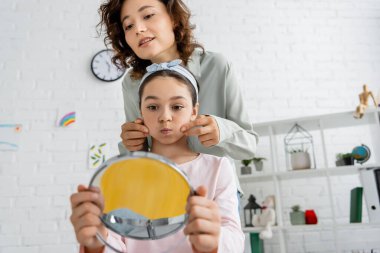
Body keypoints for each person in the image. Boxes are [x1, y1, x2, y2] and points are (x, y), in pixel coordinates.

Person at [70, 61, 245, 253]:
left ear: (194, 111)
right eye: (153, 107)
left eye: (177, 106)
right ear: (141, 112)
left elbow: (234, 240)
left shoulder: (218, 168)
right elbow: (117, 244)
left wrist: (213, 240)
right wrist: (97, 242)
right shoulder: (122, 174)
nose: (165, 117)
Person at [98, 0, 258, 194]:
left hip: (218, 193)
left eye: (148, 15)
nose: (138, 29)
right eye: (128, 26)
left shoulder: (216, 66)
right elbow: (139, 158)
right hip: (163, 193)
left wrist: (220, 130)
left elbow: (249, 146)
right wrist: (131, 144)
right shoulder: (132, 83)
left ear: (173, 18)